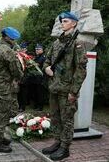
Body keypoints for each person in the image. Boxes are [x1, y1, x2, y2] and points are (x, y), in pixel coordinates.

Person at [42, 11, 88, 161]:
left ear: (74, 23)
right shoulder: (56, 43)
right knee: (55, 118)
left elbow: (81, 70)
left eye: (66, 21)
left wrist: (74, 92)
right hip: (54, 87)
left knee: (67, 119)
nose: (63, 23)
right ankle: (57, 142)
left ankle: (65, 147)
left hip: (67, 90)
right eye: (62, 21)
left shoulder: (77, 43)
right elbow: (47, 60)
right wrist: (47, 68)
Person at [0, 27, 23, 153]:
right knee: (4, 115)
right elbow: (16, 71)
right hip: (3, 88)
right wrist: (20, 76)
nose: (15, 42)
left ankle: (0, 137)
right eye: (13, 39)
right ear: (8, 38)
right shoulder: (8, 51)